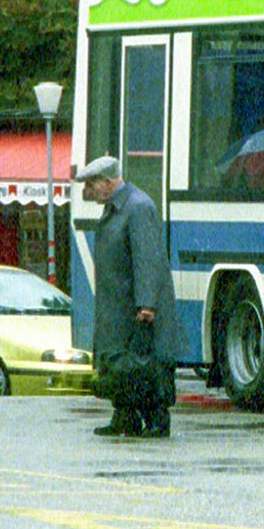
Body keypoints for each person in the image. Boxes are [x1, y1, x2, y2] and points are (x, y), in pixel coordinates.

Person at [75, 155, 179, 438]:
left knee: (143, 366)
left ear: (108, 183)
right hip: (118, 307)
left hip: (134, 309)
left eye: (91, 185)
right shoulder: (118, 207)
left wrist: (146, 305)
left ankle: (156, 420)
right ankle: (125, 416)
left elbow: (148, 259)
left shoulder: (138, 207)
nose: (87, 191)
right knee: (122, 366)